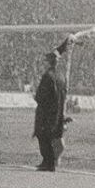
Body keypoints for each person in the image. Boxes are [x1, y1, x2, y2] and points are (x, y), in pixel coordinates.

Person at [34, 36, 75, 172]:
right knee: (53, 137)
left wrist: (36, 97)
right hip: (57, 112)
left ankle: (48, 162)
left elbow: (40, 97)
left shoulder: (48, 76)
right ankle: (52, 161)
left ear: (48, 62)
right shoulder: (61, 76)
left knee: (43, 136)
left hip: (46, 113)